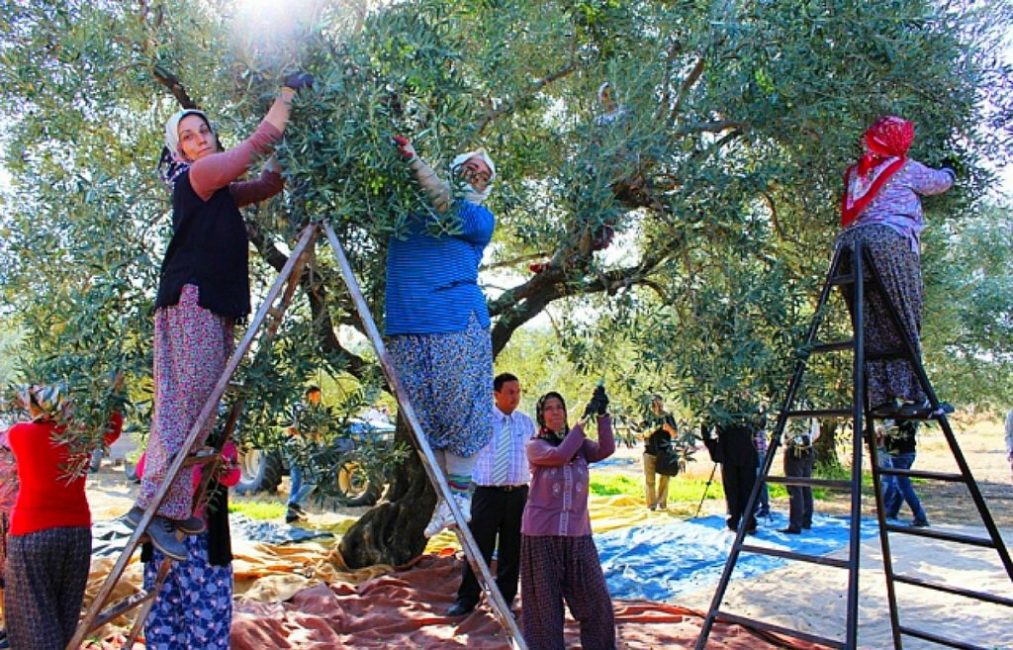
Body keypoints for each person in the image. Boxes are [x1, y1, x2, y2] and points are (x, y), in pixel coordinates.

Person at [125, 72, 313, 560]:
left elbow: (270, 180)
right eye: (188, 136)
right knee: (183, 407)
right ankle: (151, 509)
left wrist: (295, 139)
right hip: (192, 302)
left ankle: (172, 503)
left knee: (200, 409)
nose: (199, 139)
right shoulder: (199, 177)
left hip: (211, 306)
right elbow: (256, 144)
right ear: (180, 151)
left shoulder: (222, 191)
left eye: (203, 130)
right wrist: (286, 97)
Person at [389, 135, 497, 537]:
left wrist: (413, 159)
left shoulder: (477, 217)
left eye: (483, 174)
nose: (476, 175)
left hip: (454, 318)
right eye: (470, 168)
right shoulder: (409, 210)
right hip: (405, 320)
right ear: (453, 169)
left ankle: (460, 497)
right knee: (422, 418)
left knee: (459, 408)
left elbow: (445, 205)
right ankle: (445, 500)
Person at [837, 115, 955, 420]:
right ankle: (917, 397)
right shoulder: (905, 167)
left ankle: (880, 397)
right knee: (904, 314)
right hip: (888, 241)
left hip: (848, 246)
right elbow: (939, 184)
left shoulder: (855, 173)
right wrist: (950, 169)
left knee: (869, 322)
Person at [4, 384, 122, 650]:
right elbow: (112, 428)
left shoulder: (20, 434)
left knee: (31, 612)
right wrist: (114, 393)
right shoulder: (81, 436)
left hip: (31, 534)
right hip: (76, 533)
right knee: (66, 611)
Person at [520, 387, 616, 650]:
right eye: (549, 408)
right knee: (545, 609)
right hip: (542, 536)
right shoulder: (535, 446)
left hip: (578, 534)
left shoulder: (580, 446)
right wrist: (581, 424)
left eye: (559, 407)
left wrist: (602, 415)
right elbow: (560, 455)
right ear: (541, 415)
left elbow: (606, 449)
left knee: (596, 600)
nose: (555, 412)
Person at [138, 431, 240, 649]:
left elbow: (232, 476)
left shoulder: (218, 443)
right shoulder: (165, 439)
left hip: (203, 548)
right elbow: (142, 470)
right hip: (162, 543)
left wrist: (213, 461)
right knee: (163, 622)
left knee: (207, 627)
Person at [447, 372, 536, 617]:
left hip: (518, 495)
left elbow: (536, 455)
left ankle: (504, 600)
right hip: (487, 494)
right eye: (510, 392)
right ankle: (467, 598)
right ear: (496, 394)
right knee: (478, 547)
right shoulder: (482, 422)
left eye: (518, 392)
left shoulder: (526, 423)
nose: (515, 397)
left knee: (512, 549)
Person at [702, 418, 759, 534]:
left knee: (739, 490)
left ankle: (743, 522)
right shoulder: (726, 407)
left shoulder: (725, 408)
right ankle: (741, 522)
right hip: (734, 454)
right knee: (737, 490)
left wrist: (711, 444)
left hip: (735, 454)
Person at [285, 386, 322, 524]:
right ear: (310, 395)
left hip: (298, 446)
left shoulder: (306, 409)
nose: (318, 399)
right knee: (315, 477)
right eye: (317, 395)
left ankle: (290, 516)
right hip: (297, 447)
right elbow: (291, 429)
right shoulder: (300, 408)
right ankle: (294, 503)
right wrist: (310, 434)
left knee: (297, 481)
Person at [884, 420, 929, 527]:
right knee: (898, 483)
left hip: (899, 454)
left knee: (902, 485)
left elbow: (891, 431)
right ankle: (891, 512)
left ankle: (920, 517)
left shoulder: (899, 416)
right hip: (909, 452)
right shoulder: (910, 415)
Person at [781, 419, 820, 534]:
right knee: (806, 486)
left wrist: (788, 441)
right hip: (808, 449)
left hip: (794, 451)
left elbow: (785, 432)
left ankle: (795, 524)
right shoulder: (810, 411)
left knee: (795, 488)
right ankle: (806, 520)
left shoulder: (793, 413)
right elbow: (816, 432)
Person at [642, 395, 676, 511]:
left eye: (659, 403)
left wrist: (669, 429)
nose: (657, 405)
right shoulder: (646, 417)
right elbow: (641, 434)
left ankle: (662, 505)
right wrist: (649, 431)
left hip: (665, 452)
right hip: (649, 452)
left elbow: (675, 434)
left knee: (664, 480)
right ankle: (651, 506)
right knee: (649, 481)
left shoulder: (668, 417)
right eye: (655, 403)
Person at [752, 419, 771, 518]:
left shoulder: (757, 432)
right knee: (759, 481)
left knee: (760, 481)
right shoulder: (760, 431)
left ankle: (764, 506)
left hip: (759, 455)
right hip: (761, 454)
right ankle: (759, 505)